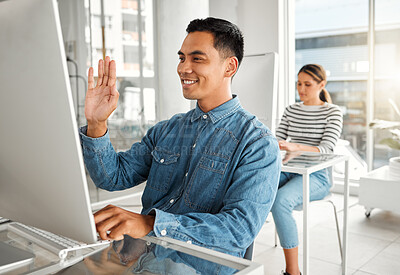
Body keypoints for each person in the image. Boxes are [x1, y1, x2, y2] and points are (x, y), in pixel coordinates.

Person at [79, 17, 281, 258]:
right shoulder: (167, 129)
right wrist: (97, 123)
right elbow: (112, 178)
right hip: (142, 257)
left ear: (230, 67)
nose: (183, 68)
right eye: (182, 58)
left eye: (197, 59)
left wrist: (151, 224)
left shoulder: (258, 144)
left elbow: (237, 231)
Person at [272, 64, 343, 275]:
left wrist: (296, 147)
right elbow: (277, 140)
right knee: (252, 189)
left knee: (280, 200)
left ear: (322, 85)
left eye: (307, 84)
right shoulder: (291, 110)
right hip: (290, 169)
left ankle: (293, 272)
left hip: (317, 176)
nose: (301, 89)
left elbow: (327, 148)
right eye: (299, 83)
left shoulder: (332, 112)